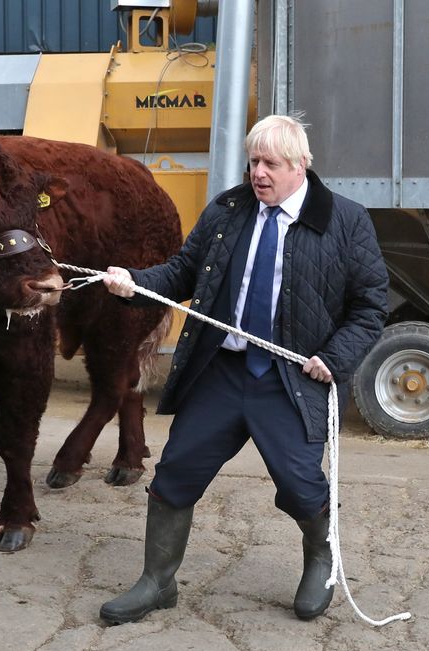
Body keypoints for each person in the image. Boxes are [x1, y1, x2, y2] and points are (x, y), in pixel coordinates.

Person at [98, 114, 389, 623]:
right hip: (223, 370)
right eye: (253, 161)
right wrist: (133, 282)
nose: (258, 173)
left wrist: (334, 359)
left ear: (300, 166)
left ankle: (322, 557)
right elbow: (182, 271)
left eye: (270, 163)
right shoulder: (228, 210)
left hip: (291, 380)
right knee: (175, 472)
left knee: (301, 484)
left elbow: (370, 309)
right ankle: (157, 581)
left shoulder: (345, 220)